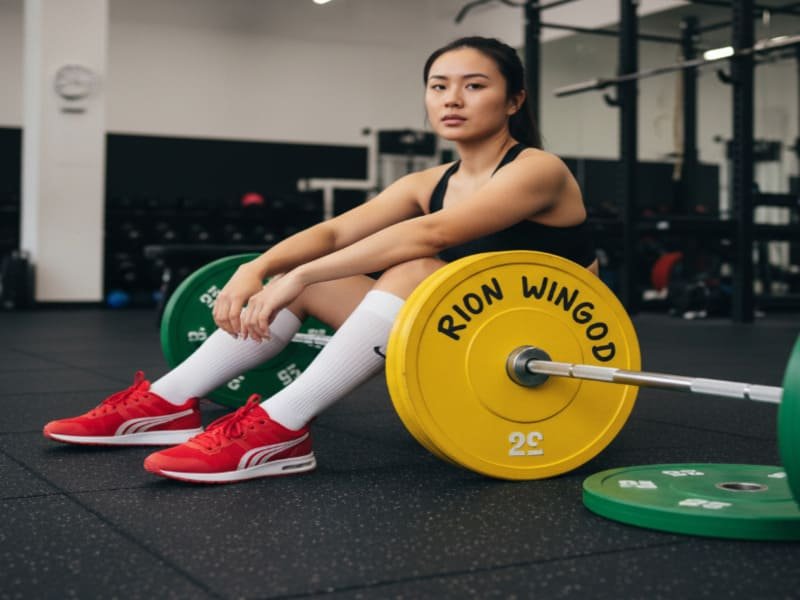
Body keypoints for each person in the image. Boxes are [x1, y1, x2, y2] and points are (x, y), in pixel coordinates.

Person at [43, 36, 597, 484]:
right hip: (467, 334)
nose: (452, 99)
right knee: (303, 279)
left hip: (548, 348)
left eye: (474, 86)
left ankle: (281, 427)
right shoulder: (427, 181)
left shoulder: (537, 170)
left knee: (415, 270)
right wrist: (258, 269)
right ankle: (165, 403)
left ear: (514, 101)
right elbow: (333, 231)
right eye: (438, 86)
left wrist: (301, 275)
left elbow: (431, 233)